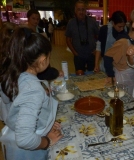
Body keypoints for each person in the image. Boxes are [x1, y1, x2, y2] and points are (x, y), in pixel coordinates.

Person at [0, 27, 63, 159]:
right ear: (42, 60)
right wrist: (47, 141)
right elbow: (25, 139)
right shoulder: (33, 89)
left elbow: (17, 107)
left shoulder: (12, 74)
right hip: (28, 152)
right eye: (49, 57)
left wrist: (44, 125)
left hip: (14, 135)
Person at [26, 9, 63, 80]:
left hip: (42, 62)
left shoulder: (40, 31)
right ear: (28, 18)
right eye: (33, 18)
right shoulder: (24, 32)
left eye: (37, 19)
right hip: (31, 64)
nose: (35, 21)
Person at [105, 22, 134, 95]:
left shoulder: (133, 42)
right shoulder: (123, 42)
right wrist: (111, 75)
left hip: (128, 76)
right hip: (121, 76)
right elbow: (108, 56)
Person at [65, 0, 99, 75]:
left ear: (85, 10)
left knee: (92, 77)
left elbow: (99, 37)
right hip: (78, 56)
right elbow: (68, 40)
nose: (81, 12)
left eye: (83, 9)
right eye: (79, 9)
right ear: (75, 10)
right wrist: (74, 53)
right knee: (80, 78)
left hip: (91, 55)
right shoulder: (71, 23)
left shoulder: (92, 22)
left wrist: (97, 50)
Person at [94, 10, 128, 82]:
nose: (122, 29)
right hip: (105, 64)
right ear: (113, 23)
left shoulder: (126, 31)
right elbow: (99, 47)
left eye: (123, 26)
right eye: (119, 27)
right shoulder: (104, 30)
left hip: (119, 66)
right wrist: (96, 64)